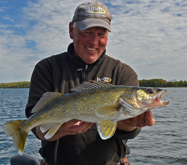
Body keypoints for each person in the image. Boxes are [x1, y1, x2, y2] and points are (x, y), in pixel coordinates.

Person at [25, 1, 155, 165]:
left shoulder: (123, 72)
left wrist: (129, 126)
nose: (94, 42)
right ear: (72, 30)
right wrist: (61, 129)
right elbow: (38, 127)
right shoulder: (47, 68)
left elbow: (129, 132)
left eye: (101, 34)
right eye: (87, 32)